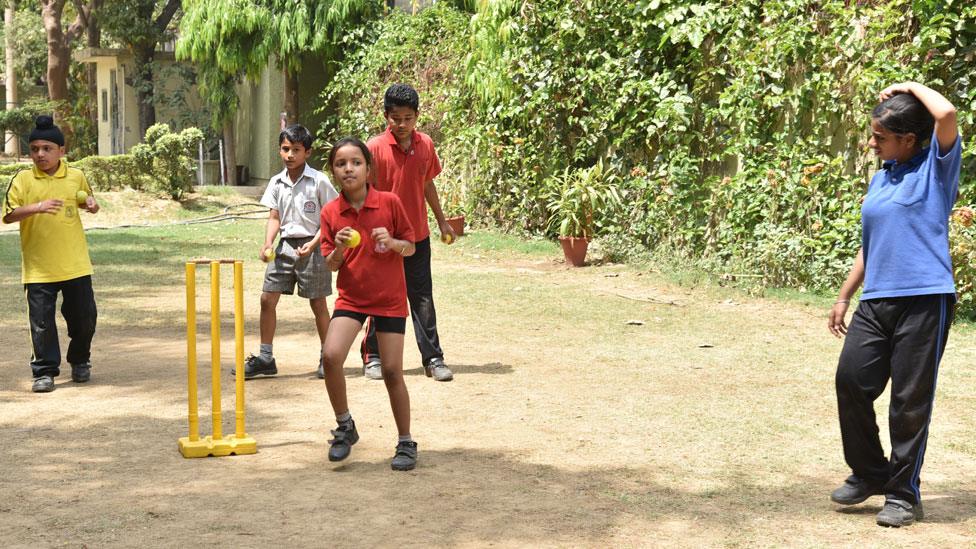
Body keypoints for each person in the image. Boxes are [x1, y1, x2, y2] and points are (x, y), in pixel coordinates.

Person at [827, 82, 960, 528]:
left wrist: (909, 88)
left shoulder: (935, 170)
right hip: (877, 299)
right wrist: (846, 295)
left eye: (880, 137)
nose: (872, 143)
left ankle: (904, 495)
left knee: (909, 401)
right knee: (851, 381)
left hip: (925, 299)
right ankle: (870, 474)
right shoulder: (883, 174)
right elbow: (871, 243)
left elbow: (945, 115)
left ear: (908, 139)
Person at [319, 137, 418, 471]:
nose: (349, 169)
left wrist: (391, 243)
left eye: (356, 162)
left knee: (391, 371)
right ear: (333, 171)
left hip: (389, 299)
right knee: (331, 355)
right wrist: (341, 249)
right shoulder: (331, 212)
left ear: (368, 168)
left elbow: (411, 247)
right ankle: (345, 426)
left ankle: (405, 442)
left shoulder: (389, 203)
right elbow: (331, 264)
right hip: (352, 298)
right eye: (341, 164)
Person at [360, 83, 456, 382]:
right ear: (385, 116)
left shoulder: (425, 144)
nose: (402, 125)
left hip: (417, 235)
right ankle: (373, 356)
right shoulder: (374, 148)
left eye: (408, 118)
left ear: (417, 116)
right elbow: (365, 191)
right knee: (381, 296)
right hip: (383, 238)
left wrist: (442, 220)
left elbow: (427, 183)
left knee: (422, 297)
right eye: (396, 118)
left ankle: (433, 358)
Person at [2, 115, 100, 393]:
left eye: (46, 148)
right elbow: (8, 215)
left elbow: (86, 200)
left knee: (85, 319)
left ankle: (80, 360)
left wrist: (91, 205)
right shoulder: (22, 179)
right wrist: (38, 206)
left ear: (61, 150)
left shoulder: (76, 175)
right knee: (42, 325)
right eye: (34, 149)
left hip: (76, 264)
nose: (40, 154)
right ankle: (44, 371)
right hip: (38, 268)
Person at [237, 124, 338, 379]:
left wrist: (315, 244)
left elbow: (331, 219)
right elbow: (274, 217)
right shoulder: (276, 182)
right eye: (285, 149)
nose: (290, 155)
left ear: (308, 152)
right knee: (266, 299)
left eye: (296, 149)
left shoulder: (319, 181)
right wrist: (268, 243)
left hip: (313, 248)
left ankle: (328, 357)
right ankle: (265, 357)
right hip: (284, 247)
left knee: (318, 304)